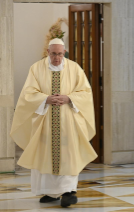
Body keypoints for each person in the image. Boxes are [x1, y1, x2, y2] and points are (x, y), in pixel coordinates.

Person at [10, 38, 97, 207]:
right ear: (48, 53)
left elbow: (85, 92)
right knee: (45, 154)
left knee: (68, 155)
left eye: (59, 53)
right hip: (45, 121)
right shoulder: (36, 68)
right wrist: (45, 99)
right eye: (53, 54)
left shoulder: (74, 68)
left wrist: (69, 98)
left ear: (64, 52)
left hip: (68, 122)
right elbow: (28, 93)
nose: (56, 57)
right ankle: (50, 192)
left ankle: (69, 192)